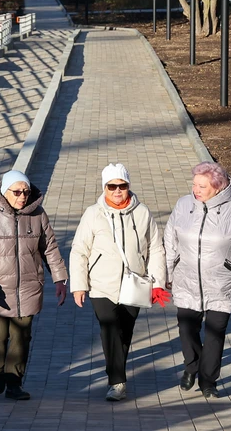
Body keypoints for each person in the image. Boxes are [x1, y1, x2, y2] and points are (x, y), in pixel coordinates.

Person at [0, 169, 68, 401]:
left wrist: (59, 278)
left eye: (26, 192)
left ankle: (14, 383)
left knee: (21, 338)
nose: (22, 196)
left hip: (28, 288)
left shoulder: (38, 215)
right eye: (17, 192)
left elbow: (49, 248)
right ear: (4, 191)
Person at [69, 163, 170, 402]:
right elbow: (79, 250)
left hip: (134, 285)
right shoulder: (93, 213)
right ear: (104, 188)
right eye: (111, 186)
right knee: (110, 328)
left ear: (128, 187)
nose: (117, 191)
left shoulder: (142, 212)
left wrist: (157, 283)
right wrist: (79, 284)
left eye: (122, 186)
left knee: (124, 333)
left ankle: (116, 374)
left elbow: (156, 248)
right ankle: (117, 381)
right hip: (101, 285)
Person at [165, 161, 231, 398]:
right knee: (187, 328)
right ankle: (192, 367)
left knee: (215, 332)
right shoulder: (183, 205)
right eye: (194, 185)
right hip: (187, 280)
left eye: (202, 186)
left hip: (222, 283)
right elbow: (170, 239)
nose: (195, 190)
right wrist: (166, 273)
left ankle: (208, 381)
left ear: (217, 188)